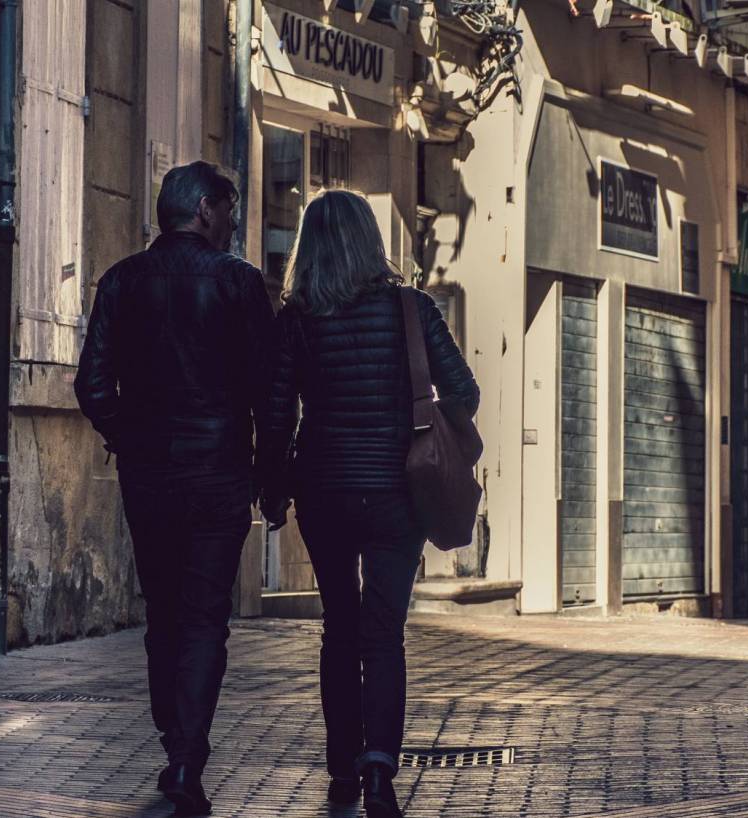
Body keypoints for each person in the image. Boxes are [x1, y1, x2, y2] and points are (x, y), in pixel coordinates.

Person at [257, 189, 479, 818]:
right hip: (395, 491)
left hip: (323, 490)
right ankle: (379, 770)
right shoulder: (411, 307)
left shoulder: (297, 317)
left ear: (313, 246)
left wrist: (270, 486)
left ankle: (340, 768)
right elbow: (464, 390)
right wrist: (416, 414)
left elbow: (276, 415)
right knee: (383, 633)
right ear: (371, 240)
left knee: (340, 630)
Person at [75, 161, 274, 817]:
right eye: (230, 208)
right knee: (204, 617)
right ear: (204, 210)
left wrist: (128, 437)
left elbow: (93, 386)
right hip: (218, 469)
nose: (235, 221)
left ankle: (175, 740)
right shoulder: (241, 284)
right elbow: (271, 393)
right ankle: (188, 755)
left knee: (163, 610)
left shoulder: (123, 282)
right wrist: (272, 472)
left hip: (150, 472)